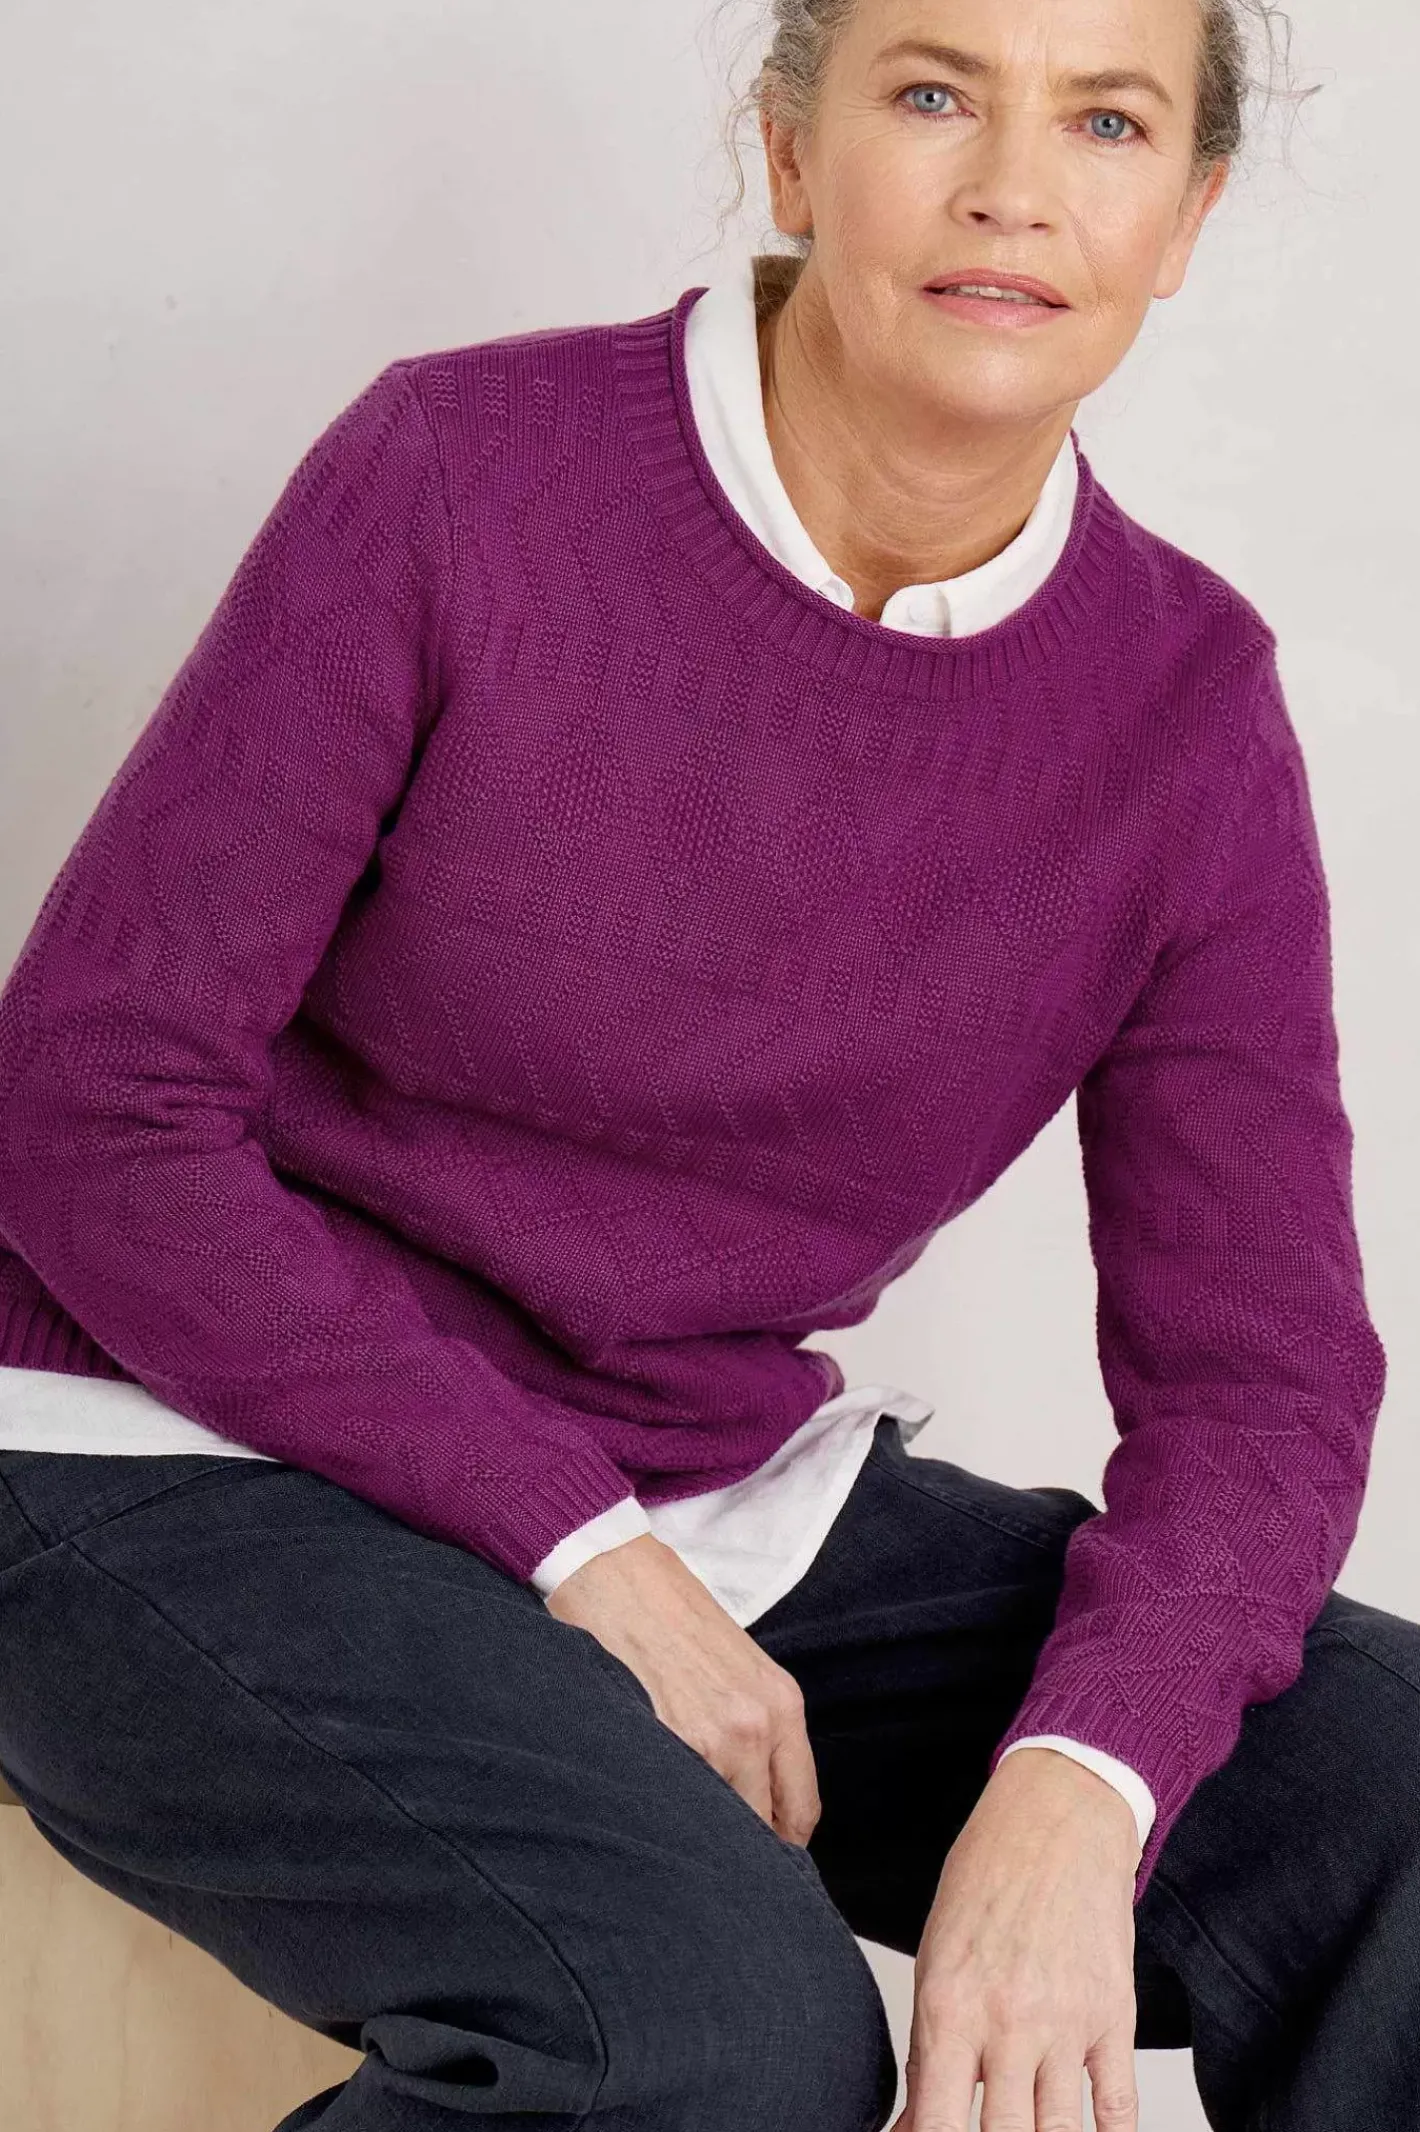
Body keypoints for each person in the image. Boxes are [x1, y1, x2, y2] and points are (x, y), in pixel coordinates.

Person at [0, 0, 1405, 2125]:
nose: (1012, 189)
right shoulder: (464, 475)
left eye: (1105, 123)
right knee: (715, 2033)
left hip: (707, 1492)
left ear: (1185, 214)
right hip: (171, 1443)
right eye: (931, 93)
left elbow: (1261, 1381)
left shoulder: (1182, 708)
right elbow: (90, 1106)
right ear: (791, 150)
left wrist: (1080, 1778)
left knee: (1395, 1798)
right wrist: (572, 1540)